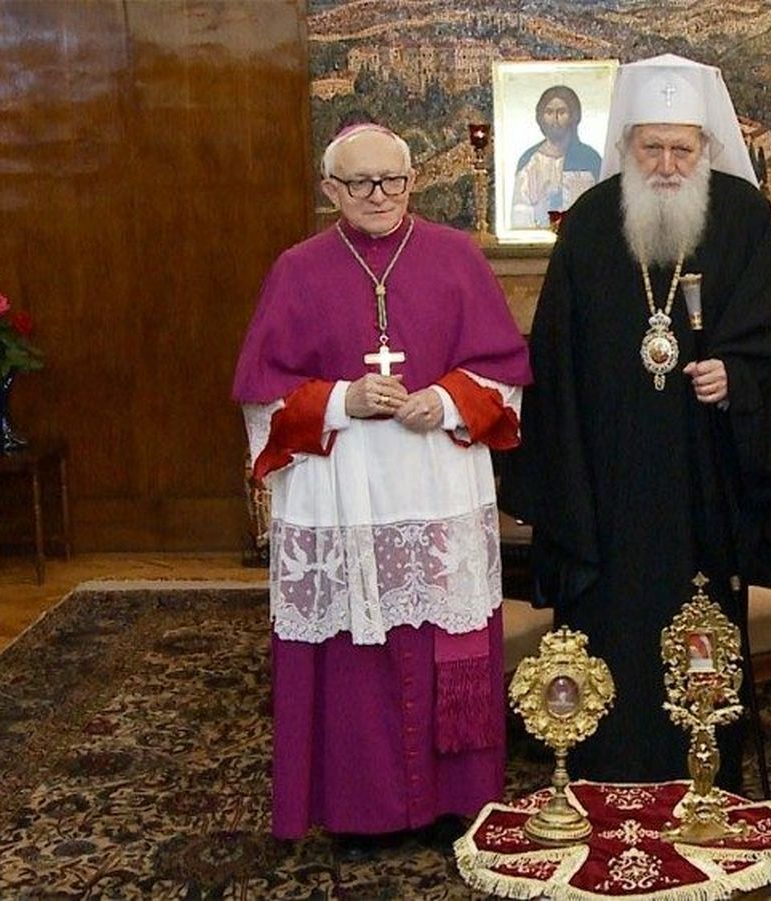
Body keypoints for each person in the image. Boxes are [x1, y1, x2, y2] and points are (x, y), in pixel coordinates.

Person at [231, 122, 531, 848]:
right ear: (330, 189)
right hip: (343, 492)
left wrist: (448, 400)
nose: (378, 194)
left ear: (412, 181)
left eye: (392, 180)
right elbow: (263, 397)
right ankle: (360, 809)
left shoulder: (456, 257)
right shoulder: (298, 269)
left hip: (438, 484)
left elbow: (505, 372)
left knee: (445, 639)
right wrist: (343, 399)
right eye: (359, 182)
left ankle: (455, 799)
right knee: (352, 655)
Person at [500, 54, 771, 787]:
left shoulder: (743, 215)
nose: (666, 165)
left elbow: (769, 336)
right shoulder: (591, 221)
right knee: (611, 629)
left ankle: (703, 778)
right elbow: (555, 356)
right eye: (651, 147)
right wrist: (562, 482)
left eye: (682, 149)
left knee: (699, 629)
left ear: (707, 147)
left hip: (703, 479)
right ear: (627, 145)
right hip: (608, 486)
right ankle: (604, 776)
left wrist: (735, 374)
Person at [511, 85, 603, 228]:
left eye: (561, 112)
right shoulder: (530, 161)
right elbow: (520, 211)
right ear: (541, 117)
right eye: (549, 112)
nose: (555, 119)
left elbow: (600, 207)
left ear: (573, 116)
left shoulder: (589, 159)